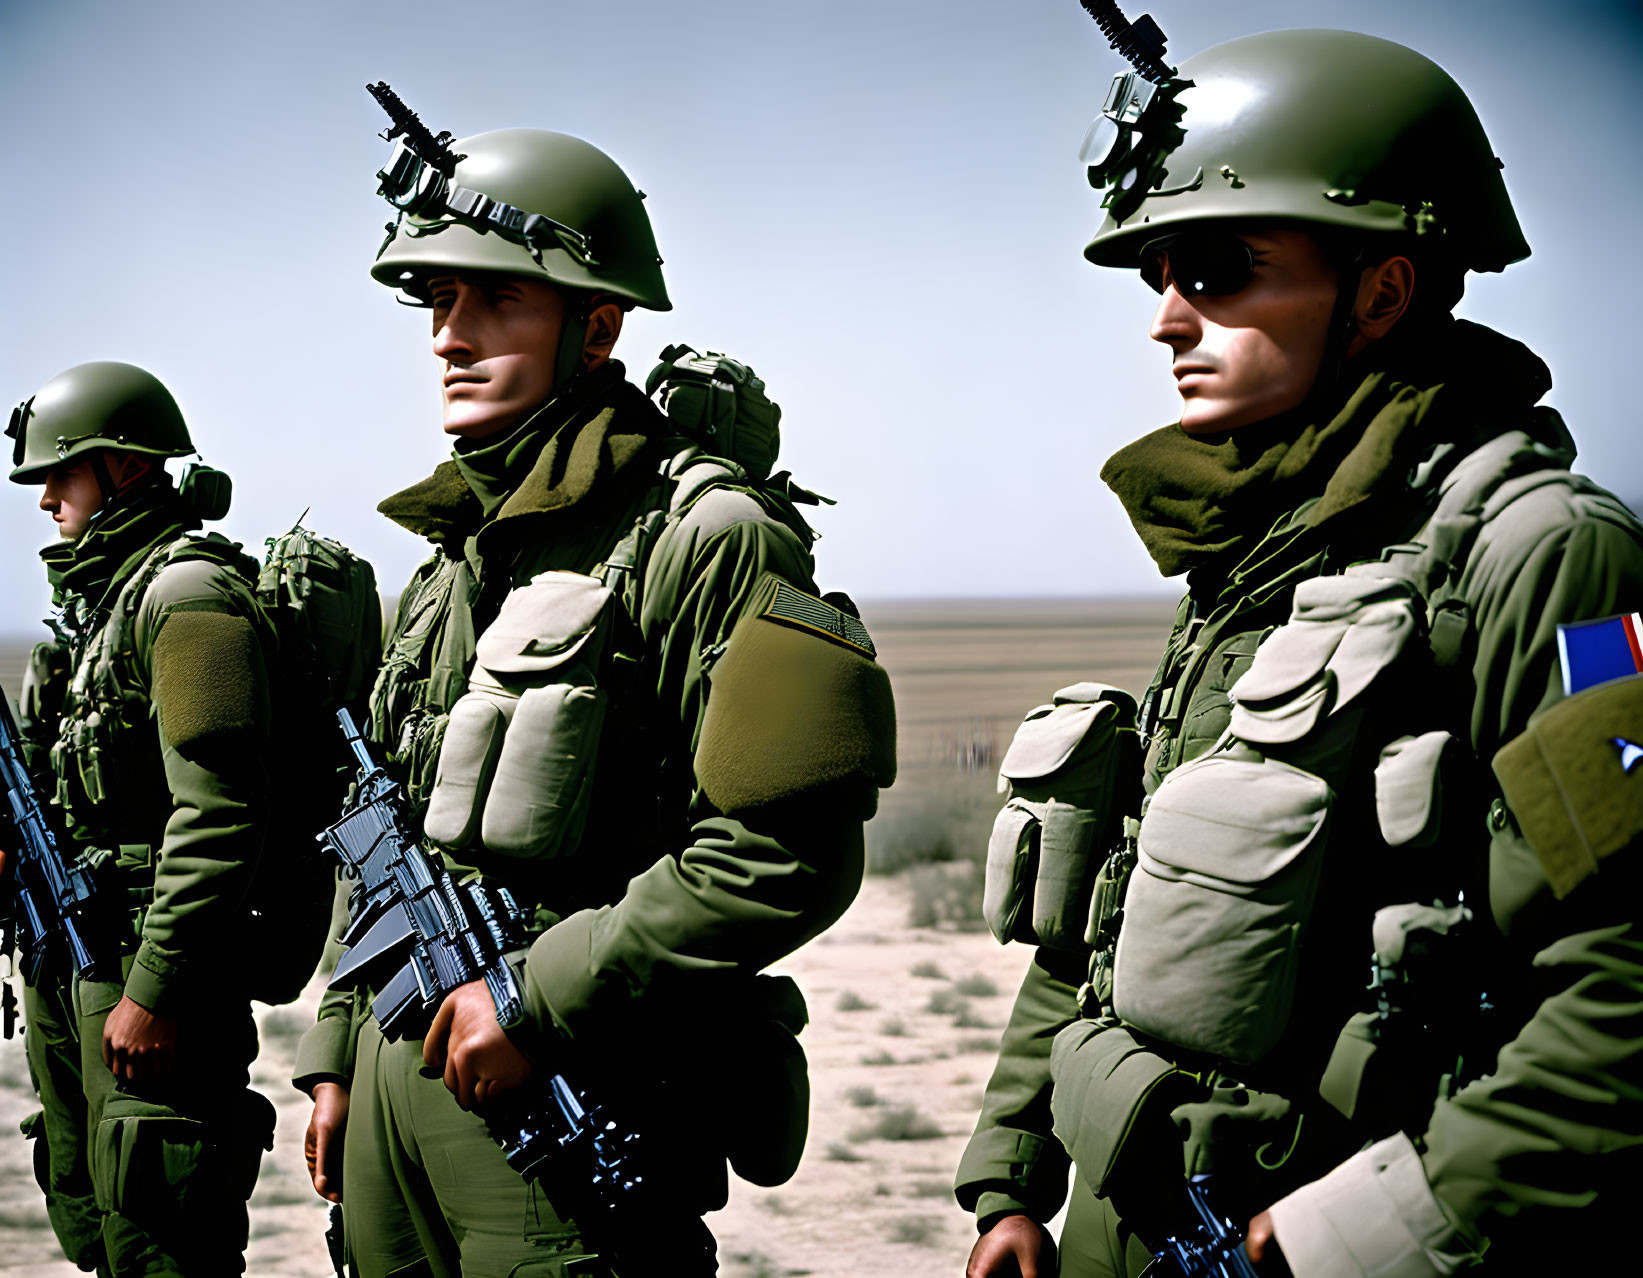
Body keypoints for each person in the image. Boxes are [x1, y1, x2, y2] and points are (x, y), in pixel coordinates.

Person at [956, 28, 1643, 1278]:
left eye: (1218, 271)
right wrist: (1013, 1177)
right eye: (1158, 274)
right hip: (1137, 1211)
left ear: (1380, 291)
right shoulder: (1256, 552)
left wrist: (1365, 1231)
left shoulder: (1549, 556)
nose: (1167, 319)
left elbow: (1623, 978)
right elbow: (1117, 898)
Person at [293, 122, 896, 1278]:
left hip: (566, 1091)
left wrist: (533, 995)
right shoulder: (451, 554)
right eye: (437, 300)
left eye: (498, 302)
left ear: (598, 324)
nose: (449, 338)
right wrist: (335, 1051)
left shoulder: (706, 533)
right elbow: (383, 825)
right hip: (393, 1085)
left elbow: (782, 855)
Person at [4, 361, 279, 1276]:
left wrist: (154, 988)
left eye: (59, 474)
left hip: (146, 973)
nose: (44, 501)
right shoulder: (104, 607)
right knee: (102, 1228)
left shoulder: (186, 596)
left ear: (123, 468)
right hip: (87, 956)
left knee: (164, 1242)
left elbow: (219, 815)